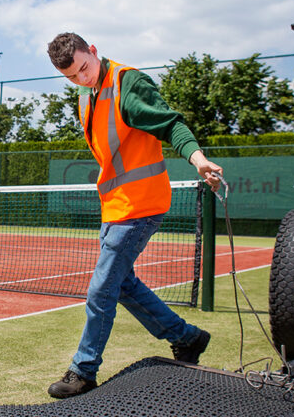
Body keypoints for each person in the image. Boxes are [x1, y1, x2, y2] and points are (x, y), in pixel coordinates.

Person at [45, 32, 223, 399]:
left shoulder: (129, 83)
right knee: (122, 284)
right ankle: (187, 338)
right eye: (72, 77)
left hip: (141, 204)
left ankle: (83, 369)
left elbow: (171, 123)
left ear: (93, 51)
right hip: (114, 203)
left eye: (84, 68)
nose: (82, 79)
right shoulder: (85, 93)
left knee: (102, 287)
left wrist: (199, 159)